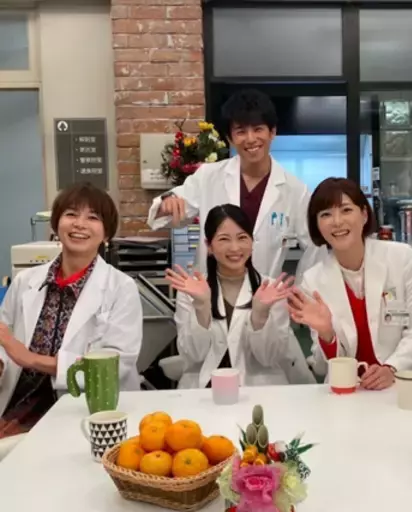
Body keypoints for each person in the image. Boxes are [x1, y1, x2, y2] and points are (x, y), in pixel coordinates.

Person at [0, 183, 142, 439]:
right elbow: (4, 335)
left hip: (84, 411)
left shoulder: (121, 288)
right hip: (17, 404)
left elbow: (115, 366)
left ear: (106, 233)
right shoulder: (26, 281)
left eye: (93, 217)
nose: (80, 224)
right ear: (56, 225)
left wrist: (30, 358)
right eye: (71, 214)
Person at [287, 178, 412, 391]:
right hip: (352, 389)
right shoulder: (313, 281)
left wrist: (392, 368)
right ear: (317, 225)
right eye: (325, 214)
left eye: (346, 210)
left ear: (364, 215)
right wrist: (326, 333)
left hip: (409, 380)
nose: (337, 221)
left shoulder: (401, 257)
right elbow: (321, 366)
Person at [147, 88, 325, 280]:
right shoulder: (208, 177)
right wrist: (167, 205)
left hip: (263, 293)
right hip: (210, 291)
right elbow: (169, 213)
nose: (251, 139)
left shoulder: (295, 190)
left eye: (258, 129)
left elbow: (315, 246)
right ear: (230, 138)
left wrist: (302, 289)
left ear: (272, 132)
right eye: (241, 132)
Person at [166, 204, 307, 389]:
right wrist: (201, 306)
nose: (235, 247)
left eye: (242, 238)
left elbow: (269, 357)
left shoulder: (272, 289)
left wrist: (260, 315)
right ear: (209, 246)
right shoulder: (190, 290)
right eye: (224, 239)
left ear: (252, 242)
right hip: (204, 390)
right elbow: (193, 356)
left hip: (258, 390)